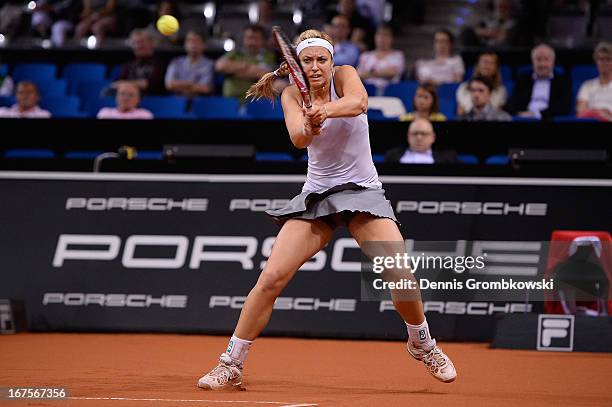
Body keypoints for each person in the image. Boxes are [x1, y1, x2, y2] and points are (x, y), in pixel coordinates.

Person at [196, 28, 457, 391]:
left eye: (322, 59)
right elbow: (298, 138)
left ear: (332, 61)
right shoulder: (290, 94)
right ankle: (232, 362)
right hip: (317, 196)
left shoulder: (346, 75)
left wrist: (324, 109)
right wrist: (309, 123)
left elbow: (359, 102)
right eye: (308, 61)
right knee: (271, 279)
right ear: (298, 67)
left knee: (400, 273)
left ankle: (422, 343)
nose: (316, 66)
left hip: (363, 192)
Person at [506, 43, 571, 119]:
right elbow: (513, 103)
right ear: (533, 61)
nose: (542, 64)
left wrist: (537, 114)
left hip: (549, 119)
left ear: (553, 62)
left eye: (546, 59)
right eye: (538, 59)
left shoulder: (562, 81)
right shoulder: (523, 79)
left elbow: (563, 107)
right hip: (525, 119)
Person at [215, 24, 276, 102]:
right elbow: (220, 66)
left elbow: (264, 74)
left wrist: (233, 72)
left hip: (256, 102)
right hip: (230, 101)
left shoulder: (269, 55)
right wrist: (247, 67)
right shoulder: (235, 53)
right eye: (249, 38)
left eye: (256, 38)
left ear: (263, 40)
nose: (252, 42)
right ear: (243, 39)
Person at [113, 29, 167, 95]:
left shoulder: (161, 63)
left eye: (141, 42)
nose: (138, 46)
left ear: (151, 43)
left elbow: (150, 84)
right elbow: (115, 84)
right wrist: (137, 84)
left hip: (153, 98)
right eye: (135, 43)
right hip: (130, 97)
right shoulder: (129, 64)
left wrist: (125, 84)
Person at [456, 52, 508, 116]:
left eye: (492, 63)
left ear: (496, 68)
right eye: (485, 62)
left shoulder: (501, 90)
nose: (488, 66)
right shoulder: (464, 87)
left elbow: (497, 112)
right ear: (477, 65)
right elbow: (460, 112)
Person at [385, 118, 457, 164]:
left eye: (424, 134)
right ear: (408, 137)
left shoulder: (448, 159)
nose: (419, 137)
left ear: (433, 137)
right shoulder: (392, 156)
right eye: (415, 133)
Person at [165, 31, 214, 97]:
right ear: (185, 44)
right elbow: (169, 85)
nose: (193, 44)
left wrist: (179, 86)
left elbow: (205, 88)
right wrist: (192, 85)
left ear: (203, 45)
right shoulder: (176, 62)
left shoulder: (209, 64)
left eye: (196, 41)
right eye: (190, 41)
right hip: (177, 101)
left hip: (199, 101)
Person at [357, 24, 405, 90]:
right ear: (375, 37)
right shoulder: (365, 56)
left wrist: (370, 73)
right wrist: (383, 72)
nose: (382, 38)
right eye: (379, 35)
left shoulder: (398, 55)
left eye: (385, 35)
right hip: (368, 91)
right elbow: (358, 76)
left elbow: (393, 72)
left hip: (390, 91)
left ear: (392, 38)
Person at [576, 41, 612, 121]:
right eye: (601, 59)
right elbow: (581, 113)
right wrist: (600, 113)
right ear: (596, 62)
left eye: (608, 59)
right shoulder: (587, 86)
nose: (604, 63)